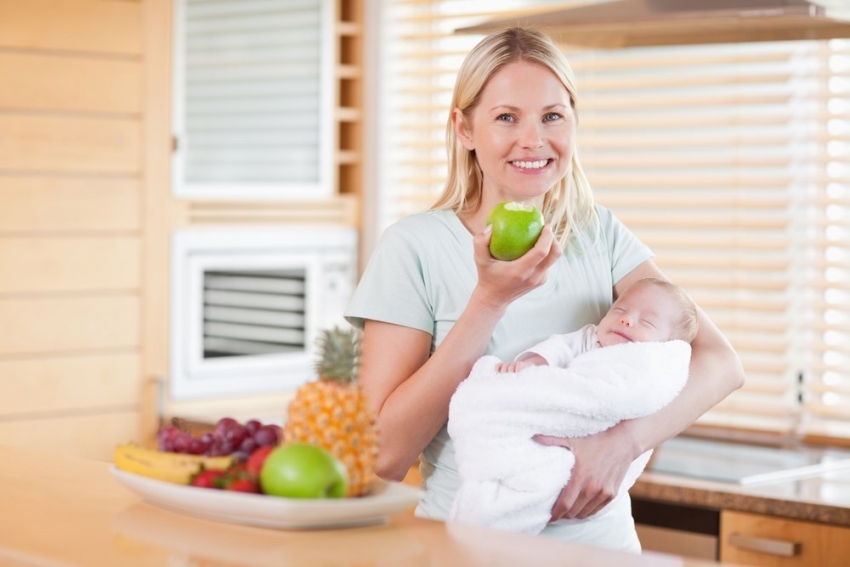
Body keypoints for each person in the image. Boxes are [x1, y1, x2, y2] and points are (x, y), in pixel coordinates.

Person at [345, 27, 744, 552]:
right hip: (470, 546)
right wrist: (489, 301)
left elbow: (720, 362)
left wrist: (621, 445)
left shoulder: (597, 232)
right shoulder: (413, 247)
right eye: (507, 117)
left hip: (603, 550)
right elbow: (382, 458)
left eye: (552, 116)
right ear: (464, 128)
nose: (533, 140)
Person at [495, 277, 698, 374]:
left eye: (646, 322)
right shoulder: (591, 339)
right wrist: (532, 364)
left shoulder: (656, 366)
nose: (626, 320)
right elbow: (560, 347)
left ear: (668, 345)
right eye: (619, 310)